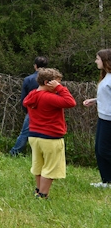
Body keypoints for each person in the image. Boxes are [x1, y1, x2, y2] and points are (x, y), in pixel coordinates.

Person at [23, 68, 76, 199]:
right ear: (47, 82)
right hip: (51, 138)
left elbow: (24, 103)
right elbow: (71, 102)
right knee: (50, 167)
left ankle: (38, 190)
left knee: (38, 165)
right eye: (56, 83)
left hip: (34, 136)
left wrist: (57, 87)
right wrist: (60, 89)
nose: (58, 86)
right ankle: (42, 195)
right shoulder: (49, 98)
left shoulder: (32, 95)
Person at [9, 56, 47, 156]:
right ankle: (42, 154)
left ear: (35, 66)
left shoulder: (28, 79)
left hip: (32, 110)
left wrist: (26, 110)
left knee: (25, 133)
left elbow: (24, 98)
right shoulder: (50, 80)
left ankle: (15, 152)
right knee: (45, 134)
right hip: (47, 111)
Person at [84, 50, 111, 187]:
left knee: (104, 150)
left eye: (97, 59)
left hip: (109, 120)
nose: (96, 61)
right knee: (99, 150)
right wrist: (95, 100)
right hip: (103, 117)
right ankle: (107, 181)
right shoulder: (106, 76)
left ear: (105, 60)